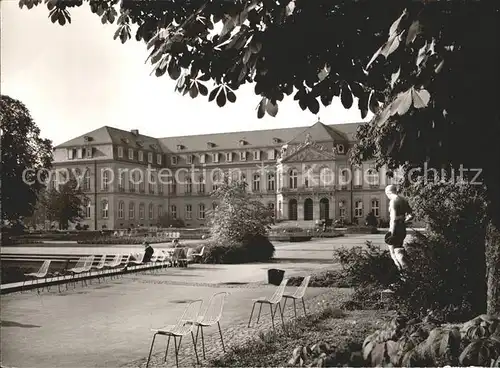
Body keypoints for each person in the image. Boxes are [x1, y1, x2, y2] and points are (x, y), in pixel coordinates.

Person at [384, 184, 413, 271]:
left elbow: (393, 219)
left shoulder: (393, 201)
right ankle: (407, 273)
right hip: (402, 228)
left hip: (395, 228)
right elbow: (411, 215)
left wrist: (391, 233)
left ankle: (404, 274)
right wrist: (403, 220)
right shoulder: (403, 200)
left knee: (394, 253)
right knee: (399, 250)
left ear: (388, 193)